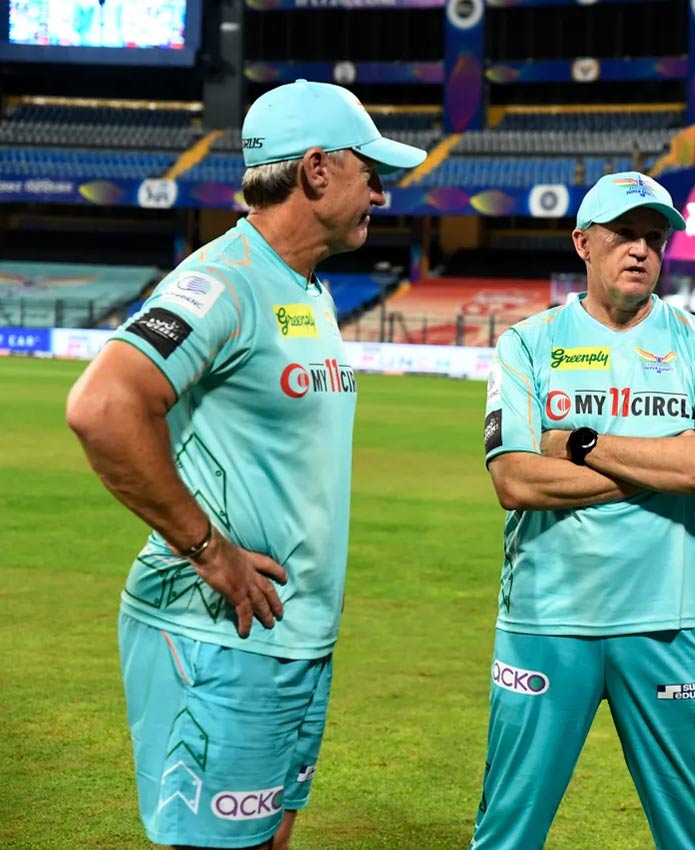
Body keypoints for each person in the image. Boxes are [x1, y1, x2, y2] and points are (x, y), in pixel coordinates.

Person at [65, 80, 426, 850]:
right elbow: (103, 407)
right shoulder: (222, 280)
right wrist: (207, 548)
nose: (383, 194)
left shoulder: (305, 288)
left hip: (292, 640)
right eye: (373, 172)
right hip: (220, 641)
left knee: (264, 839)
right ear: (318, 170)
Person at [473, 171, 695, 850]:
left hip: (670, 624)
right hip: (546, 619)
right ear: (583, 243)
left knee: (694, 838)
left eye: (654, 238)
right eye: (624, 234)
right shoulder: (526, 344)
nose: (641, 250)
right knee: (507, 835)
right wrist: (663, 466)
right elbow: (515, 479)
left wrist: (579, 444)